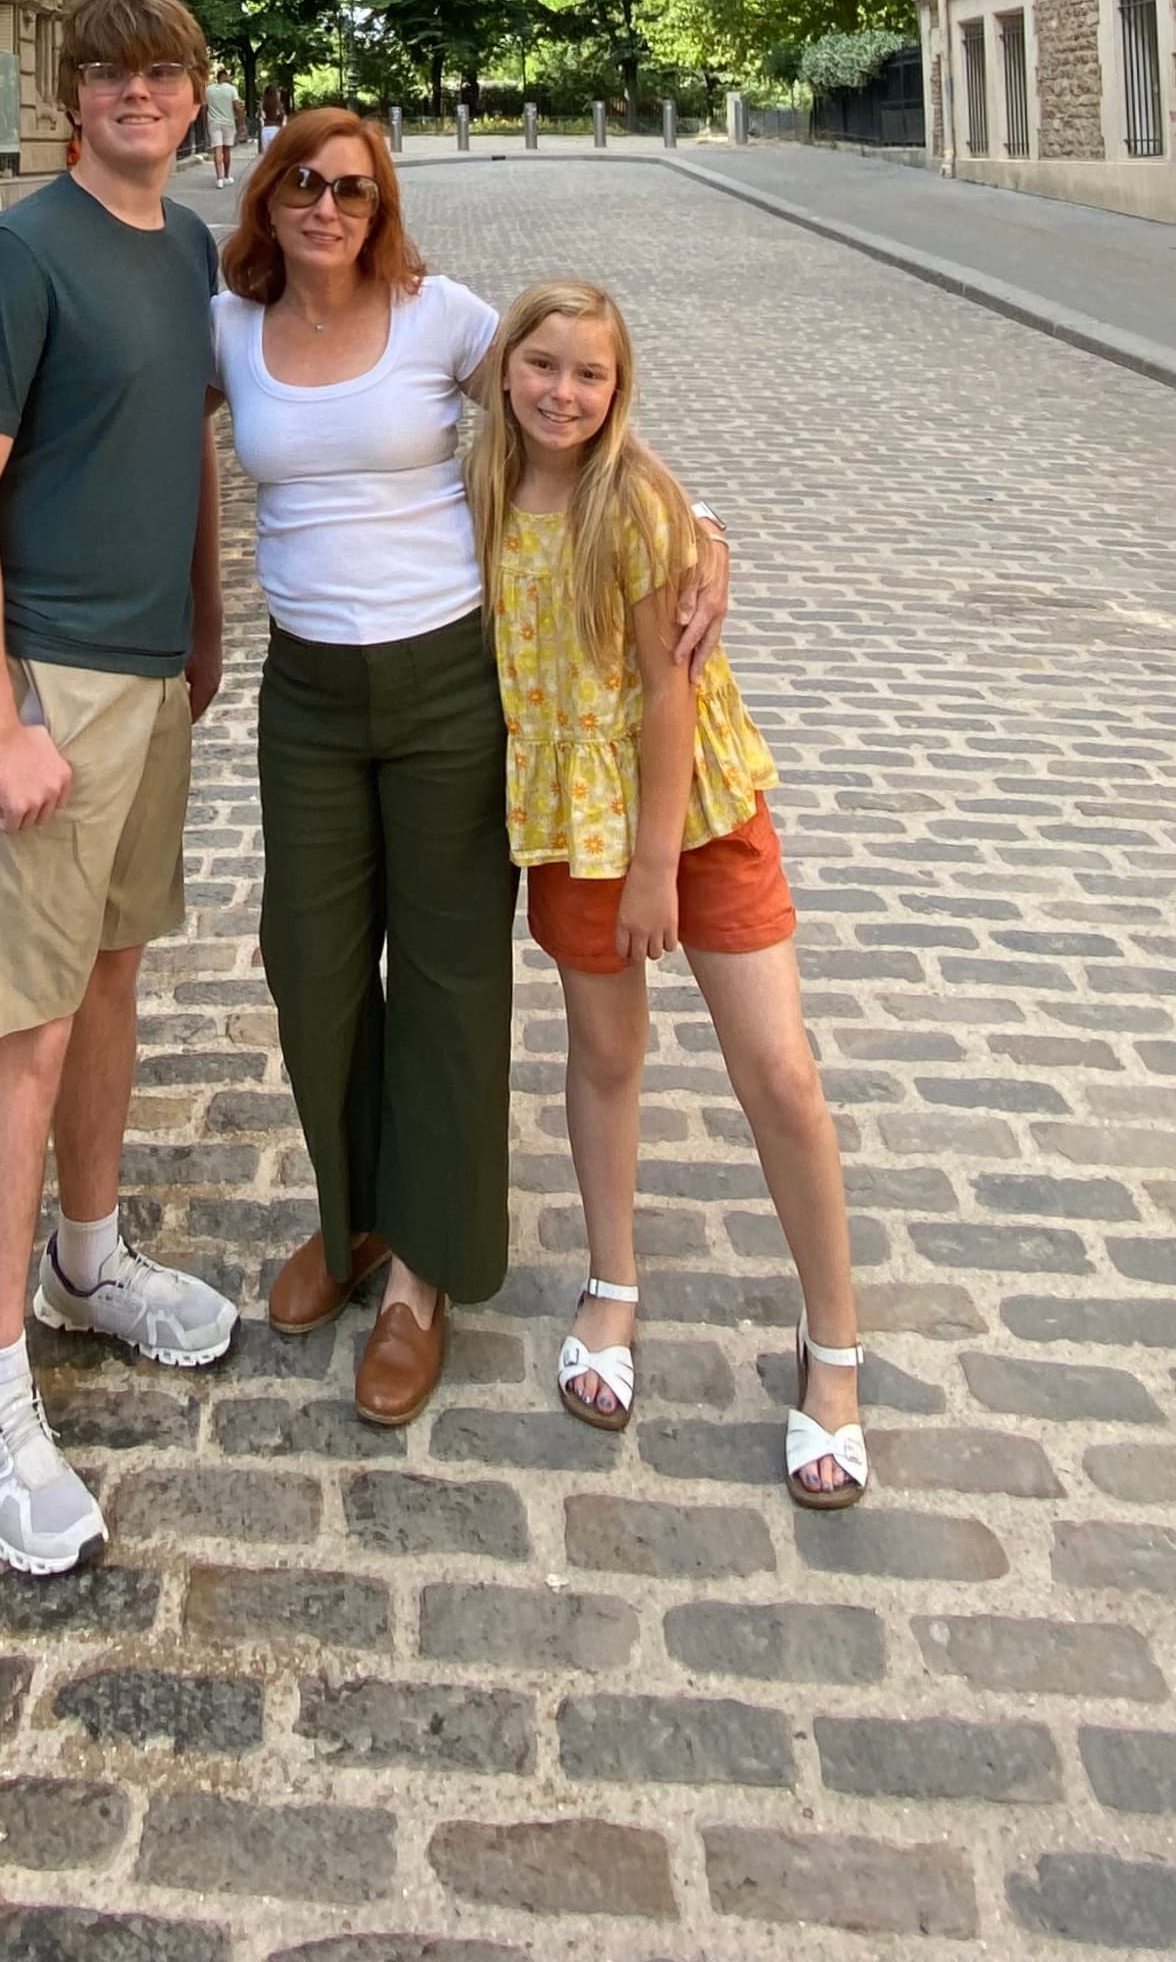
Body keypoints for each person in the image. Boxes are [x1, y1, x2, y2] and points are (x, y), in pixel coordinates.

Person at [216, 109, 728, 1427]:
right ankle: (354, 1221)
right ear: (268, 201)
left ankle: (421, 1280)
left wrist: (700, 523)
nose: (327, 207)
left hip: (449, 686)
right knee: (311, 964)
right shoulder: (229, 327)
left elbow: (575, 392)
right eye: (303, 185)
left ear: (381, 208)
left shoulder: (441, 316)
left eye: (352, 190)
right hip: (310, 696)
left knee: (447, 980)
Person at [0, 0, 235, 1577]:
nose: (133, 92)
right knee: (21, 1031)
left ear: (194, 98)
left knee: (109, 978)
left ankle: (87, 1267)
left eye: (158, 71)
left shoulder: (183, 247)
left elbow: (186, 439)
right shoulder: (20, 256)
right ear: (71, 96)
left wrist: (204, 616)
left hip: (141, 670)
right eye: (105, 70)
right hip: (37, 672)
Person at [469, 275, 865, 1503]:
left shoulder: (630, 502)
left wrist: (654, 870)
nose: (563, 392)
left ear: (620, 388)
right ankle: (612, 1283)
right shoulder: (481, 482)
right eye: (543, 366)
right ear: (505, 371)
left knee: (780, 1072)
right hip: (570, 829)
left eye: (590, 374)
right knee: (604, 1059)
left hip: (689, 814)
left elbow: (670, 690)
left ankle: (836, 1344)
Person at [203, 68, 242, 183]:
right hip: (228, 123)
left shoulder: (208, 90)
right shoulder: (231, 89)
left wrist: (205, 123)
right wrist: (241, 122)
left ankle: (219, 178)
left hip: (214, 122)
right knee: (227, 150)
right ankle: (226, 176)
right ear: (225, 76)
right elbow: (237, 107)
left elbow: (204, 108)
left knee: (217, 150)